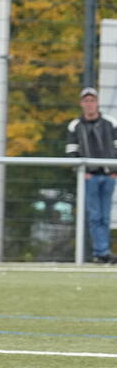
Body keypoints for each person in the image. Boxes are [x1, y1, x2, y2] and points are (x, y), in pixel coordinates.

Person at [66, 87, 117, 264]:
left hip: (109, 175)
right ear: (81, 103)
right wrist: (82, 171)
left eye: (92, 100)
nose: (89, 104)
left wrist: (114, 171)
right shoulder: (75, 126)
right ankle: (101, 251)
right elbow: (72, 152)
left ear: (97, 102)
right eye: (86, 101)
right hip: (89, 177)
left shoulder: (110, 123)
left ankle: (103, 251)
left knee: (105, 216)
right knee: (95, 216)